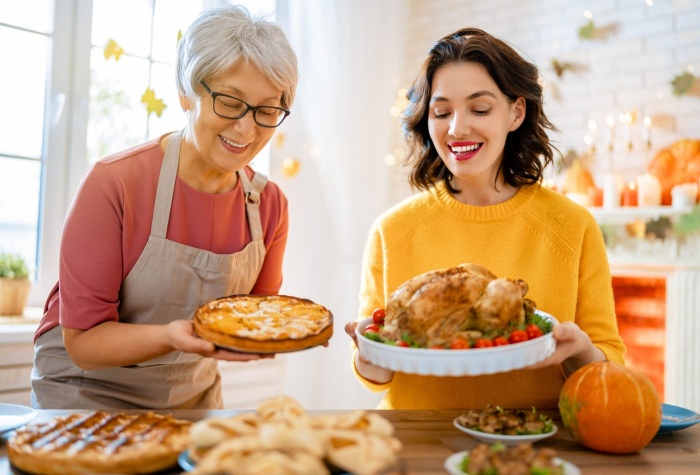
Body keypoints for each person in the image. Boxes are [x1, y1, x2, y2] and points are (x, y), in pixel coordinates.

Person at [31, 5, 298, 410]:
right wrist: (173, 334)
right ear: (186, 93)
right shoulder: (114, 184)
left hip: (195, 400)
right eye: (229, 101)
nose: (246, 129)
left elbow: (254, 320)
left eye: (267, 110)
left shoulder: (269, 206)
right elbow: (84, 341)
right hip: (85, 396)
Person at [345, 27, 625, 410]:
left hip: (534, 443)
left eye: (479, 109)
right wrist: (367, 352)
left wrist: (579, 350)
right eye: (441, 112)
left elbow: (609, 360)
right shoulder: (392, 230)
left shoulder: (572, 226)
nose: (457, 128)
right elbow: (376, 377)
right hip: (417, 445)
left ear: (516, 112)